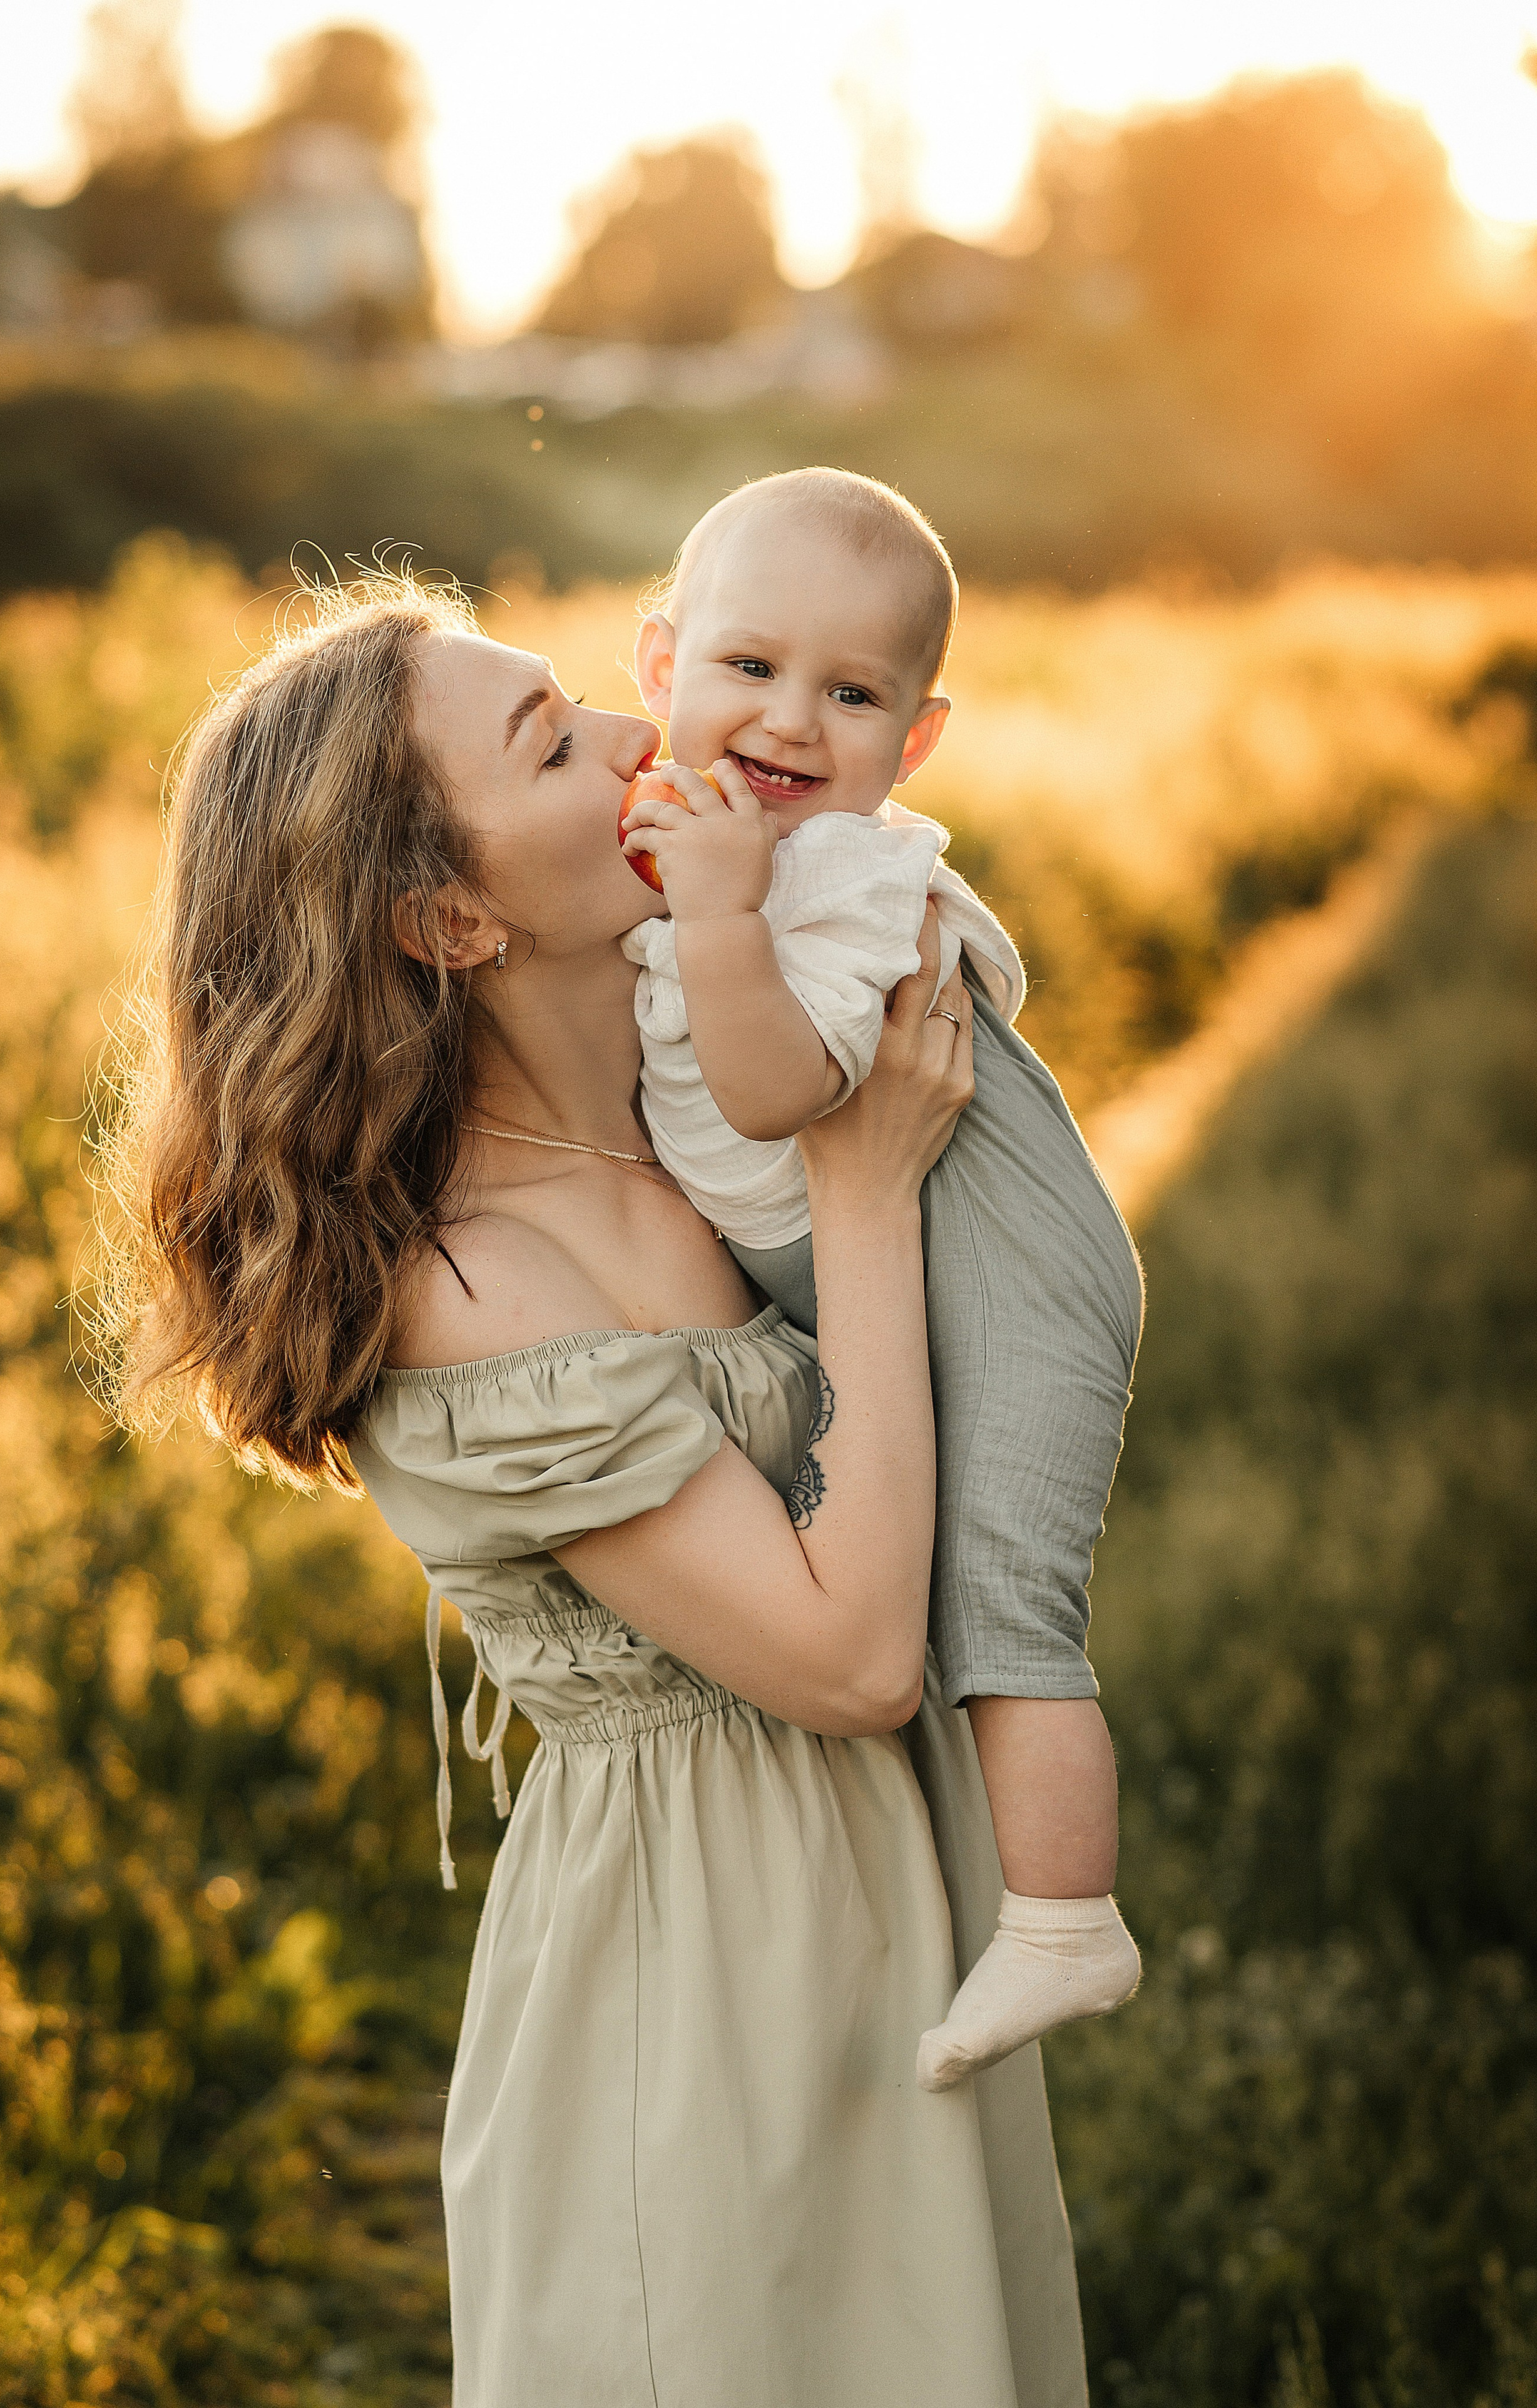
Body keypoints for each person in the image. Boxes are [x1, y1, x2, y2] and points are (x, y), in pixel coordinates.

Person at [101, 576, 1090, 2407]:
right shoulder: (467, 1291)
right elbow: (855, 1654)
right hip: (709, 1970)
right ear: (452, 916)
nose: (651, 740)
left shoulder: (691, 1103)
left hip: (893, 1898)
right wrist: (864, 1196)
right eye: (556, 743)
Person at [619, 468, 1144, 2090]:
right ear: (659, 667)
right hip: (867, 1242)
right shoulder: (682, 828)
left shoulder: (846, 878)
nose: (789, 721)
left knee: (1000, 1593)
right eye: (750, 667)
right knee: (898, 1548)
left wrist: (717, 921)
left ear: (914, 742)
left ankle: (1069, 1924)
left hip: (1009, 1261)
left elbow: (779, 1092)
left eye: (850, 694)